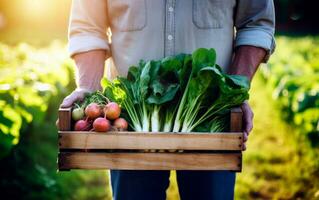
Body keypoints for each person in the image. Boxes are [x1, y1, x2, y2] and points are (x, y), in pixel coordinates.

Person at [61, 0, 275, 199]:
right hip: (127, 122)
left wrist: (234, 89)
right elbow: (88, 27)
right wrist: (88, 88)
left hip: (211, 118)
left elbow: (256, 24)